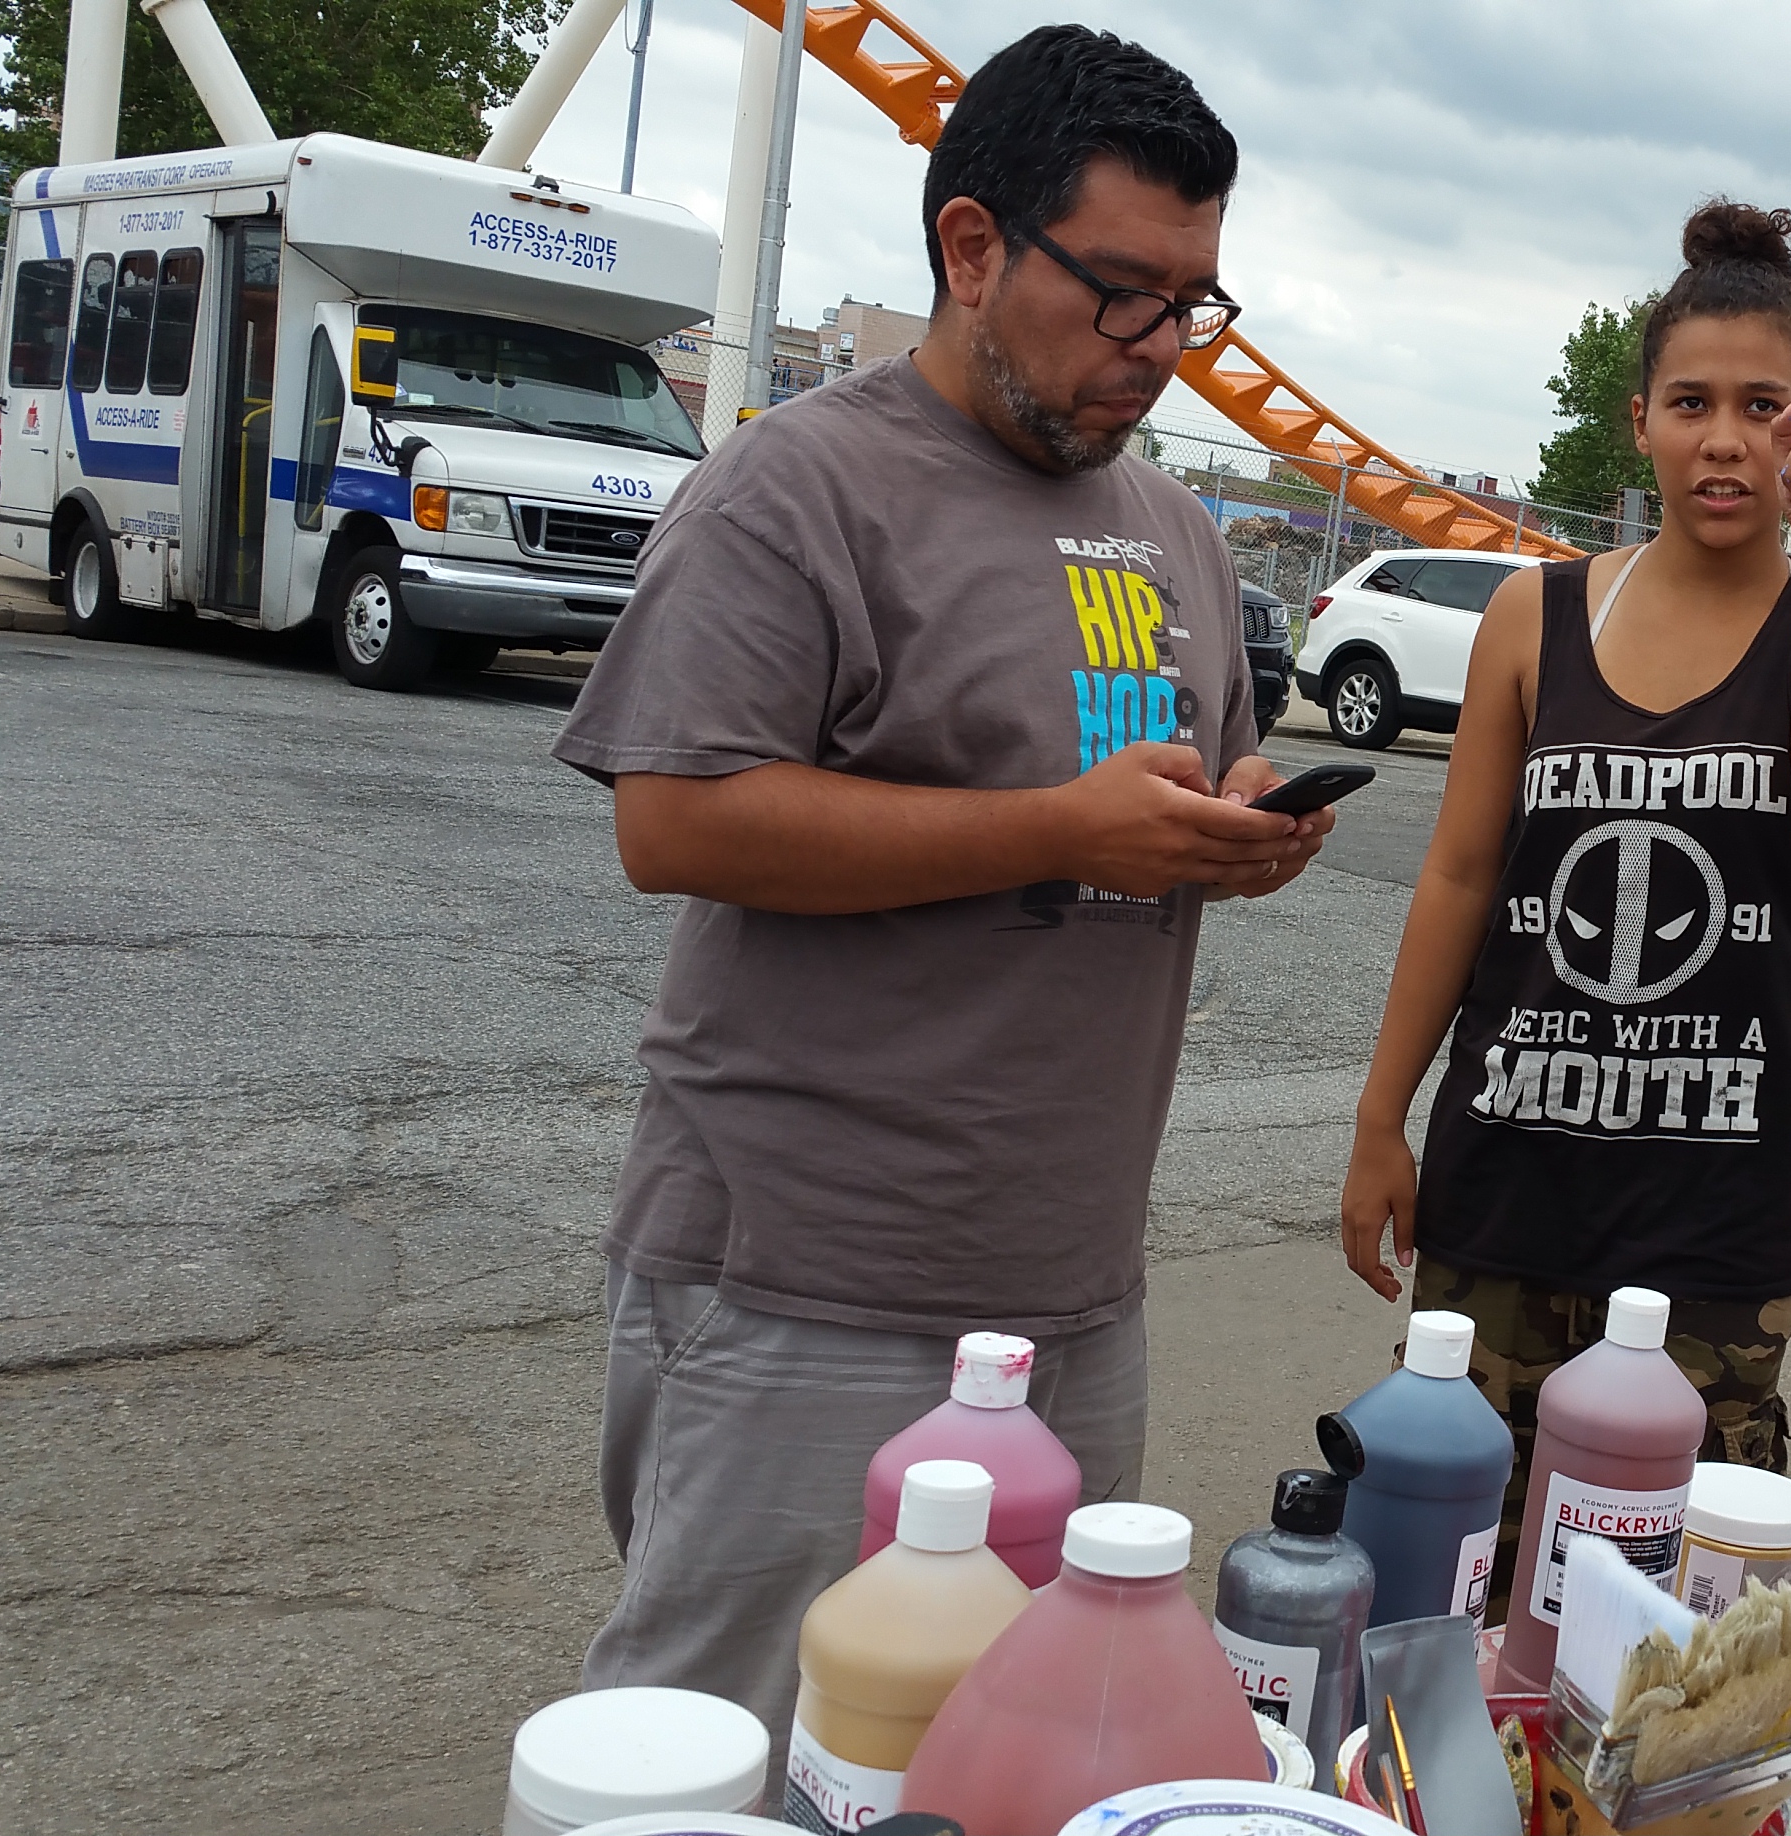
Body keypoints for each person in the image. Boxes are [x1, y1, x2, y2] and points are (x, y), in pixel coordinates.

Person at [550, 27, 1333, 1732]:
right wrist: (1059, 829)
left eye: (1192, 302)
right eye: (1119, 294)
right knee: (730, 1747)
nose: (1159, 348)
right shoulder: (798, 486)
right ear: (972, 249)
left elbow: (1158, 798)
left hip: (1069, 1287)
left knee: (1004, 1745)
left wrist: (1237, 830)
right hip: (807, 1277)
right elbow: (674, 820)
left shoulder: (1178, 532)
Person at [1337, 202, 1791, 1599]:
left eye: (1764, 407)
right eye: (1691, 403)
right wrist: (1380, 1116)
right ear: (1640, 422)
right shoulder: (1534, 617)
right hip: (1506, 1176)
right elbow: (1462, 875)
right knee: (1453, 1574)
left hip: (1725, 1202)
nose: (1726, 440)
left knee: (1664, 1604)